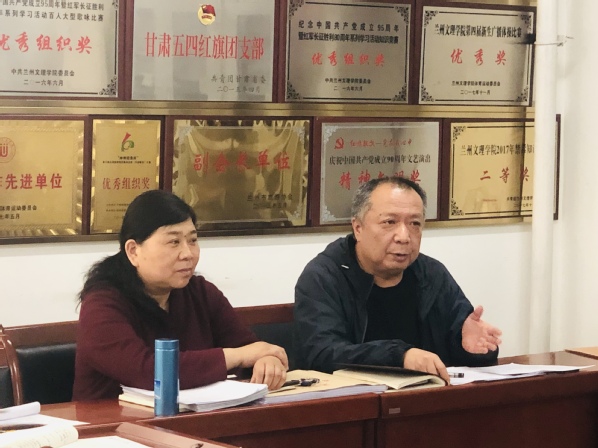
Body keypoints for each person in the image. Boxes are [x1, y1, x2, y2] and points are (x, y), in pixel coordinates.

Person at [73, 190, 288, 400]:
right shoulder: (102, 304)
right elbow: (146, 371)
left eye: (192, 240)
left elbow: (249, 347)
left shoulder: (200, 293)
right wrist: (238, 356)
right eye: (174, 242)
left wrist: (267, 361)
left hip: (194, 417)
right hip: (112, 421)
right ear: (133, 251)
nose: (188, 254)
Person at [294, 176, 502, 383]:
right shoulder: (323, 277)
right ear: (358, 228)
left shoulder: (431, 274)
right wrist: (400, 356)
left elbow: (463, 351)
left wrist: (469, 348)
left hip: (427, 397)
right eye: (389, 222)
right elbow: (323, 354)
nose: (404, 236)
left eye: (414, 224)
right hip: (355, 399)